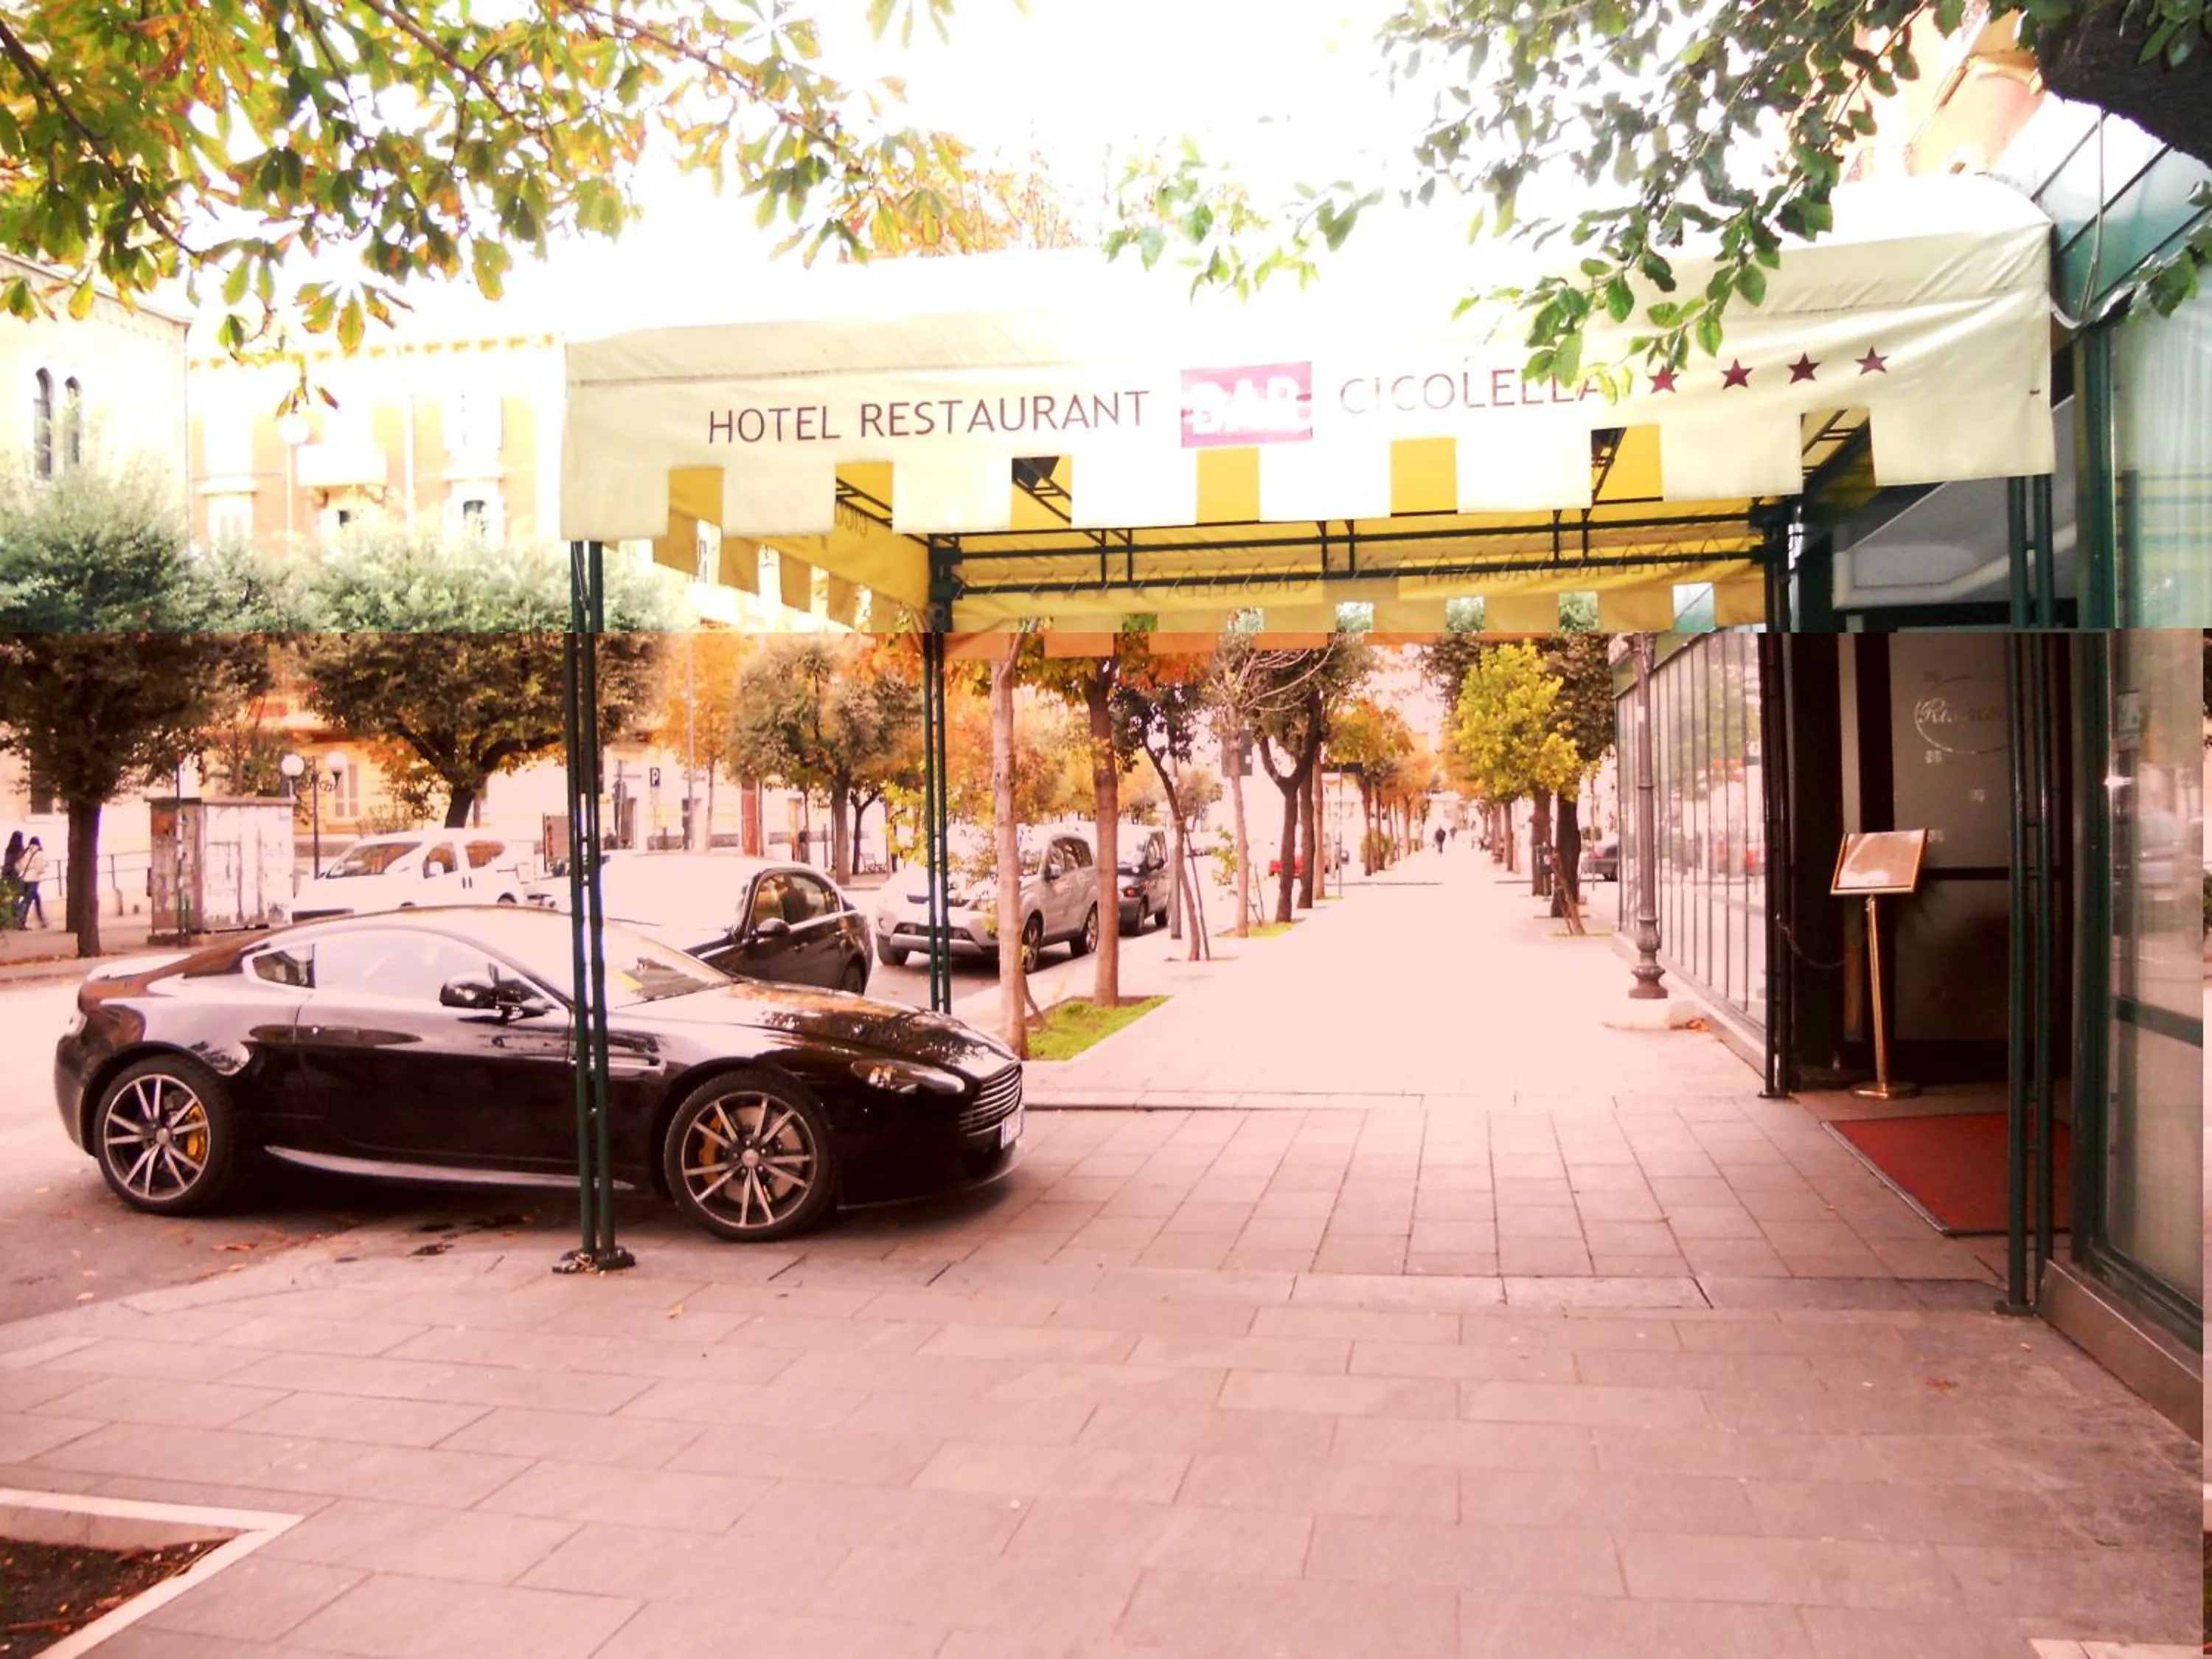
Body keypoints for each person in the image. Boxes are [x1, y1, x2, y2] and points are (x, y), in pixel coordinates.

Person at [15, 836, 46, 928]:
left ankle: (42, 920)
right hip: (33, 879)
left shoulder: (25, 852)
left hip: (24, 878)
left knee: (35, 898)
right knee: (27, 901)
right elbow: (39, 868)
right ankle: (20, 921)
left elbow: (18, 866)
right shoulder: (39, 853)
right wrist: (44, 867)